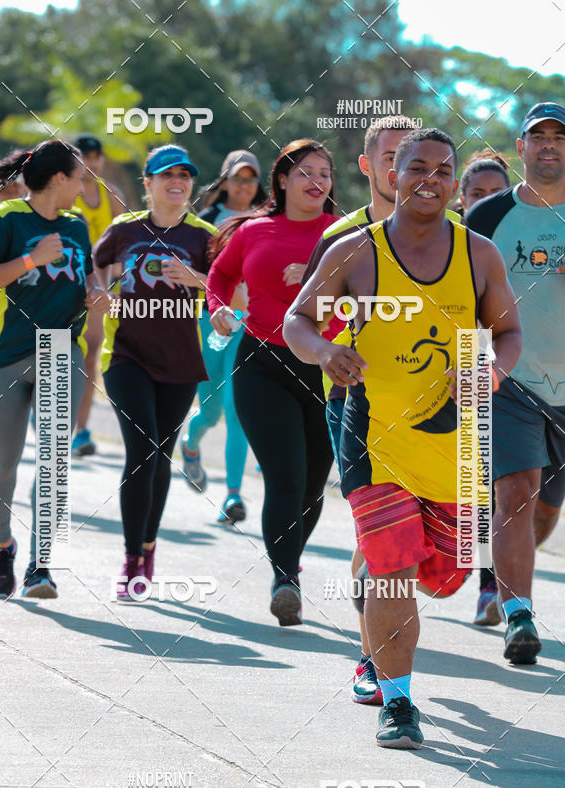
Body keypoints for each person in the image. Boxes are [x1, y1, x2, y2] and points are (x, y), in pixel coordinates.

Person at [284, 128, 521, 748]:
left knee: (445, 572)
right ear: (393, 174)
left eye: (444, 170)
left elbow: (508, 333)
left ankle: (378, 629)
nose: (430, 179)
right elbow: (297, 319)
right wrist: (325, 350)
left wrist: (490, 370)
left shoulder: (479, 256)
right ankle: (398, 700)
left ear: (454, 183)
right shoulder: (354, 251)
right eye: (417, 166)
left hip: (457, 435)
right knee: (393, 564)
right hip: (373, 431)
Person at [302, 116, 421, 704]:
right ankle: (374, 658)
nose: (405, 169)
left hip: (433, 412)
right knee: (378, 536)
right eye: (393, 156)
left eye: (415, 157)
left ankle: (382, 644)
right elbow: (308, 321)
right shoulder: (343, 240)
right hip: (356, 403)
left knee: (430, 549)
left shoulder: (453, 236)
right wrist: (332, 348)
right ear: (369, 166)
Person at [207, 139, 337, 625]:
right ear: (281, 180)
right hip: (262, 362)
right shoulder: (253, 230)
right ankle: (286, 579)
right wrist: (219, 308)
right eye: (305, 172)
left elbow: (373, 289)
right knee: (286, 476)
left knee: (312, 485)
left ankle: (289, 562)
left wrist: (315, 276)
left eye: (324, 172)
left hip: (328, 368)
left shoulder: (345, 233)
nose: (316, 180)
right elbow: (219, 277)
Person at [0, 140, 100, 599]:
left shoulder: (77, 227)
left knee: (54, 463)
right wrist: (29, 260)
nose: (83, 188)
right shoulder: (4, 220)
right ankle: (3, 546)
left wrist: (96, 292)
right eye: (79, 178)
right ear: (59, 178)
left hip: (60, 351)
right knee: (2, 465)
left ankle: (41, 566)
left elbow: (89, 277)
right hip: (4, 355)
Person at [92, 144, 215, 600]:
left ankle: (148, 548)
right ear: (148, 183)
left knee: (159, 456)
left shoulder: (204, 236)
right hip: (126, 356)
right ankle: (129, 560)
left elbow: (230, 292)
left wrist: (197, 280)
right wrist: (99, 294)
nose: (176, 182)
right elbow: (93, 265)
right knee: (141, 449)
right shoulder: (125, 230)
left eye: (184, 175)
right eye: (166, 175)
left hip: (181, 362)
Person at [466, 102, 565, 663]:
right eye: (538, 136)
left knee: (548, 505)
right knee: (516, 492)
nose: (549, 144)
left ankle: (513, 583)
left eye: (559, 136)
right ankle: (518, 613)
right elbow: (455, 293)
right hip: (512, 380)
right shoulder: (486, 217)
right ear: (520, 147)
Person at [181, 150, 266, 523]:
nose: (244, 186)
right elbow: (191, 276)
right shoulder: (207, 222)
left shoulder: (267, 220)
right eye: (238, 178)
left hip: (251, 323)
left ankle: (233, 496)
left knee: (238, 409)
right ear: (225, 181)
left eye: (251, 179)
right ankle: (190, 444)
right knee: (210, 409)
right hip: (211, 321)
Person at [455, 152, 511, 627]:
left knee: (506, 486)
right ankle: (487, 586)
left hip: (523, 367)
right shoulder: (446, 243)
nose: (486, 203)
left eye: (496, 195)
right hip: (464, 359)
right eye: (477, 195)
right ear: (462, 199)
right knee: (478, 483)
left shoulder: (525, 236)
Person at [71, 134, 127, 458]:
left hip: (98, 288)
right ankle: (45, 417)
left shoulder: (111, 195)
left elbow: (122, 243)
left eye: (96, 157)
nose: (91, 163)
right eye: (84, 157)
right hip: (62, 285)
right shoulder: (66, 193)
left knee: (90, 357)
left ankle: (82, 431)